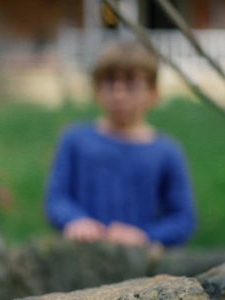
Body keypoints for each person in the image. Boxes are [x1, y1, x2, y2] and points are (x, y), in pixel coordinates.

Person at [44, 41, 196, 247]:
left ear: (153, 92)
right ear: (97, 89)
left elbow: (182, 219)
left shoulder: (166, 152)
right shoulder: (74, 140)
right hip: (83, 253)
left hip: (143, 268)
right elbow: (56, 199)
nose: (119, 94)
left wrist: (145, 236)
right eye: (110, 82)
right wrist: (75, 220)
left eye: (131, 83)